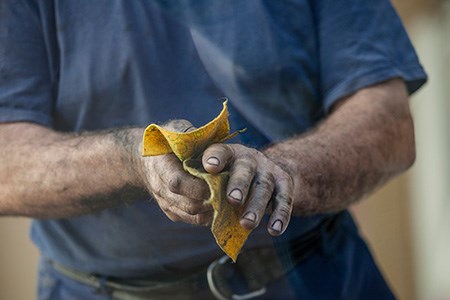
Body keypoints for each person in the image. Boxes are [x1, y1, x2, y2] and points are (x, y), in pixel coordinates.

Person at [0, 1, 426, 299]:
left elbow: (387, 122)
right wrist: (136, 156)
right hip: (99, 290)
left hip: (316, 277)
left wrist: (283, 173)